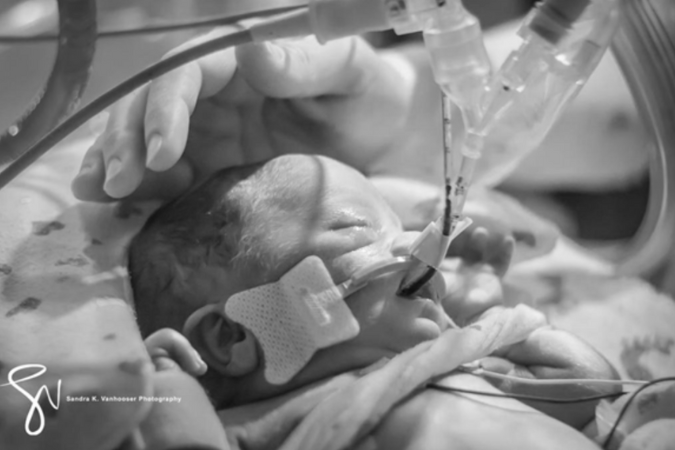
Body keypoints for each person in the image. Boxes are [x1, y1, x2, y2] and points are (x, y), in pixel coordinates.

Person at [128, 153, 619, 450]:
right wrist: (169, 393)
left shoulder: (462, 365)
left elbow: (591, 389)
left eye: (402, 229)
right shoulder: (264, 426)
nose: (413, 244)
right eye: (358, 229)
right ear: (233, 335)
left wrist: (484, 322)